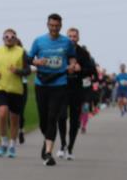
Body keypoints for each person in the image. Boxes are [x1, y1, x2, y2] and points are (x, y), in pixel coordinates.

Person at [27, 13, 77, 166]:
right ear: (47, 25)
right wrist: (36, 61)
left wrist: (72, 65)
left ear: (60, 26)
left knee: (52, 117)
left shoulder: (66, 42)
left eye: (57, 26)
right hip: (42, 83)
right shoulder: (39, 41)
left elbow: (72, 56)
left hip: (59, 83)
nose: (54, 28)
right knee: (43, 119)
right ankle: (47, 140)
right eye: (52, 25)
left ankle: (48, 153)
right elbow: (28, 58)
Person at [0, 29, 30, 158]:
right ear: (3, 38)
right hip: (1, 88)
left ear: (16, 39)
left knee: (15, 119)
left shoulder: (21, 52)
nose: (9, 38)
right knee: (2, 113)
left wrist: (18, 71)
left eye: (12, 37)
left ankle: (12, 145)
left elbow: (27, 70)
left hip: (16, 89)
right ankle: (3, 142)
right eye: (6, 36)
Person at [56, 28, 96, 160]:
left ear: (78, 38)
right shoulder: (61, 50)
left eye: (74, 36)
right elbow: (54, 67)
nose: (72, 38)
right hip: (62, 88)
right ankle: (62, 144)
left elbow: (92, 70)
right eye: (70, 36)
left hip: (77, 90)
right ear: (66, 38)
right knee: (61, 116)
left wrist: (81, 69)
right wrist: (65, 69)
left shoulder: (83, 53)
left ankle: (70, 149)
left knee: (74, 121)